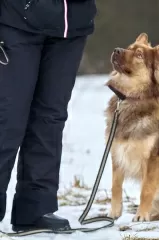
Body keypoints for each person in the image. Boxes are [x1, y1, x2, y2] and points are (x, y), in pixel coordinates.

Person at [0, 0, 97, 232]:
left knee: (50, 118)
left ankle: (35, 207)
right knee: (7, 116)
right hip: (16, 18)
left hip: (72, 23)